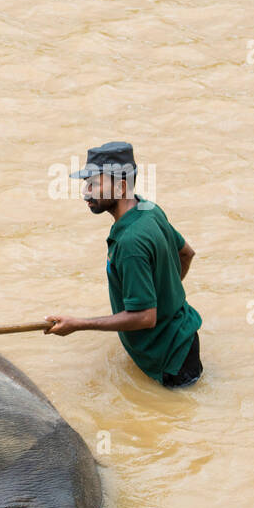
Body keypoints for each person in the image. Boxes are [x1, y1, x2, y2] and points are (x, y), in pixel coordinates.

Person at [44, 142, 203, 388]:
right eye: (87, 183)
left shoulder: (130, 243)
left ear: (121, 186)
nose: (86, 192)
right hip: (184, 337)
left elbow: (144, 317)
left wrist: (79, 325)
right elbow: (186, 254)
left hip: (171, 363)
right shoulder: (148, 208)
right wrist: (161, 293)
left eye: (95, 184)